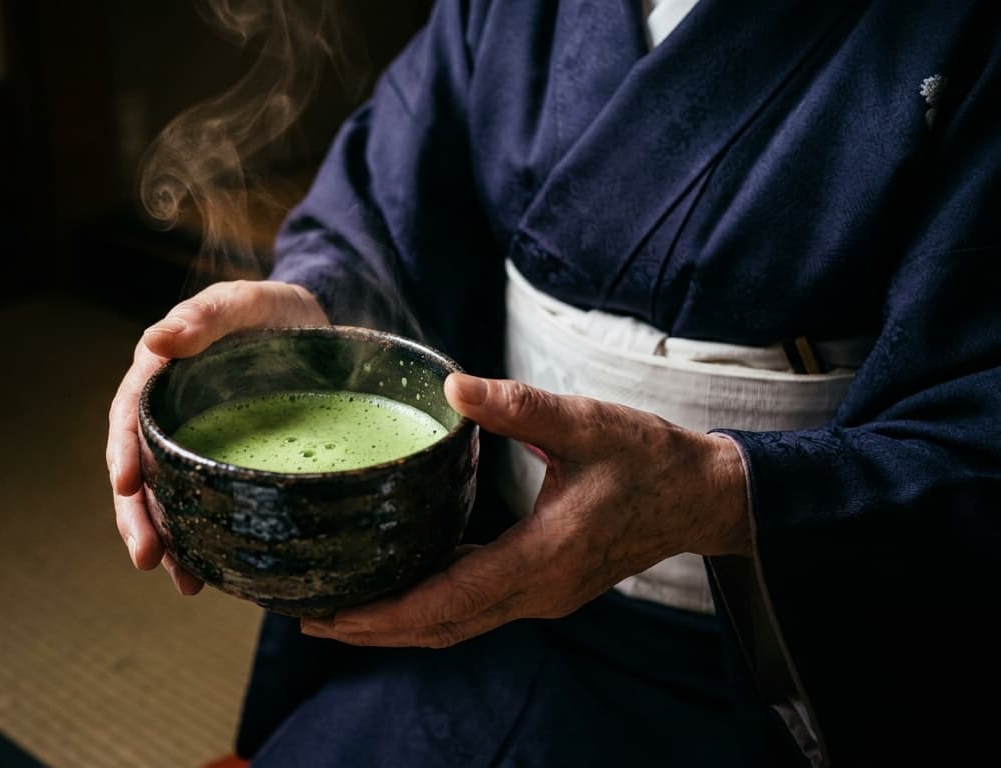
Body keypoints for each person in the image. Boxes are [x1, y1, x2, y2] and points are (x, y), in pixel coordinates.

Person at [107, 0, 1001, 765]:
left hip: (781, 646)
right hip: (471, 568)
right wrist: (311, 318)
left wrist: (722, 497)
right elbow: (389, 202)